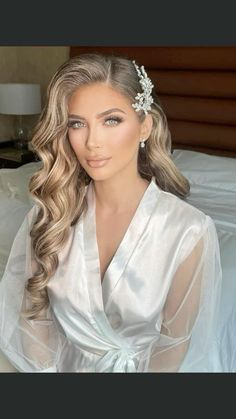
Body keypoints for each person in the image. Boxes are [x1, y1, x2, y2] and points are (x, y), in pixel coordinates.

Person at [0, 53, 222, 372]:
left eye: (111, 120)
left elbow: (173, 345)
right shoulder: (51, 216)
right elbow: (36, 320)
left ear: (144, 126)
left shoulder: (187, 232)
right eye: (78, 123)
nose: (93, 142)